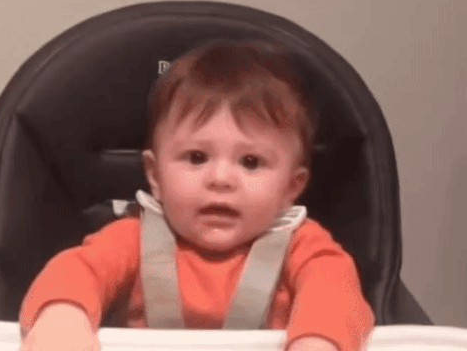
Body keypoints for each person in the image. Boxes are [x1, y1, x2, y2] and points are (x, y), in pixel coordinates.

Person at [19, 39, 375, 351]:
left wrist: (318, 341)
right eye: (196, 157)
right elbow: (77, 270)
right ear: (155, 176)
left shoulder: (303, 248)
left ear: (291, 187)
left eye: (250, 162)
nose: (220, 179)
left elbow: (335, 292)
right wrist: (62, 317)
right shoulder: (132, 239)